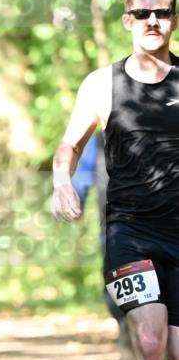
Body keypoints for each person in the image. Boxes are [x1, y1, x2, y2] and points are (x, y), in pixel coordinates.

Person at [51, 0, 179, 360]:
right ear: (128, 21)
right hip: (129, 229)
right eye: (143, 13)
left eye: (164, 13)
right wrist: (62, 181)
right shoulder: (102, 85)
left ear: (173, 20)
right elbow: (69, 145)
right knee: (149, 343)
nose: (154, 21)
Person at [71, 132, 128, 343]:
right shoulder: (97, 143)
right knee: (115, 281)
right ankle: (126, 326)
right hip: (113, 230)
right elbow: (82, 179)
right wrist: (75, 201)